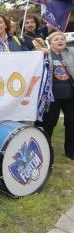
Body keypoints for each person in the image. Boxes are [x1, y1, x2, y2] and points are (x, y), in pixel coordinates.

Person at [42, 31, 74, 159]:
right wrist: (42, 51)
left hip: (70, 96)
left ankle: (71, 151)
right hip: (52, 96)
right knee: (49, 123)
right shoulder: (45, 54)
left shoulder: (71, 52)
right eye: (56, 39)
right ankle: (43, 149)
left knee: (72, 123)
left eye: (62, 39)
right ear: (50, 43)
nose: (60, 41)